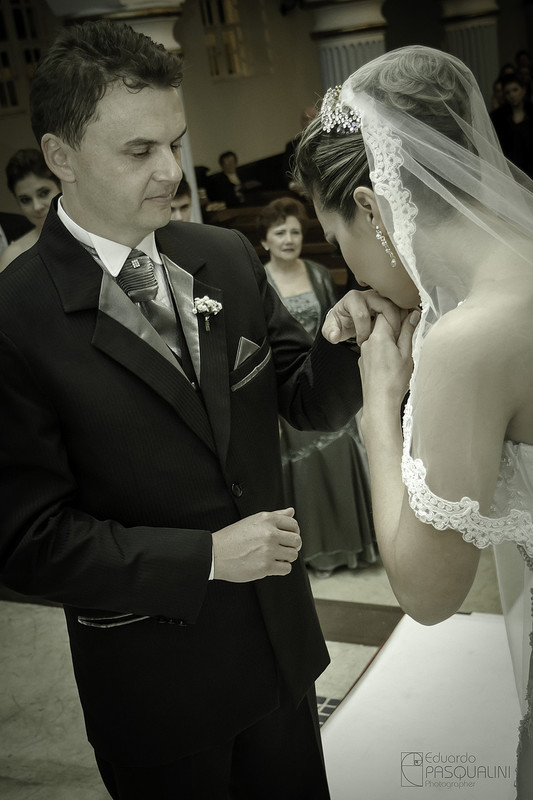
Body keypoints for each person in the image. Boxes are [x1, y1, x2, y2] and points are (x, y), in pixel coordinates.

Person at [0, 19, 393, 800]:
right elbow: (25, 542)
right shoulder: (17, 318)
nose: (169, 172)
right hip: (158, 686)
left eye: (173, 144)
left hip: (281, 651)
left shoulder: (221, 255)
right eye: (137, 150)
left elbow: (303, 399)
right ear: (59, 158)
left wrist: (342, 336)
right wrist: (206, 558)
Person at [294, 45, 533, 797]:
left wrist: (377, 405)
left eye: (339, 247)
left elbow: (427, 594)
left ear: (371, 205)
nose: (352, 273)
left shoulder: (469, 342)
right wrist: (393, 300)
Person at [258, 196, 375, 577]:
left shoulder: (319, 272)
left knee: (340, 461)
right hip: (290, 386)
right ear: (265, 241)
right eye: (280, 232)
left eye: (295, 231)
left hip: (325, 378)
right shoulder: (258, 281)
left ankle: (351, 547)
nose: (289, 238)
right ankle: (315, 553)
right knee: (306, 476)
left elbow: (338, 332)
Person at [0, 148, 60, 271]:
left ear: (60, 186)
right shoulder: (13, 257)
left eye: (43, 193)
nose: (37, 206)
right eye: (25, 200)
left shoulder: (95, 230)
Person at [490, 73, 533, 179]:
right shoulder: (497, 118)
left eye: (515, 90)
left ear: (523, 90)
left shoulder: (531, 112)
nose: (512, 95)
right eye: (508, 92)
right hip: (510, 172)